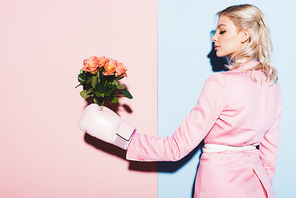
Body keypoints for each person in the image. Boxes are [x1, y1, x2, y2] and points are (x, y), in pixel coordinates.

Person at [78, 4, 282, 198]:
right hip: (259, 185)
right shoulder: (273, 84)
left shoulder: (221, 83)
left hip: (221, 185)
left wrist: (120, 134)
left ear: (244, 35)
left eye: (222, 31)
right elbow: (269, 154)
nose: (214, 38)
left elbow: (177, 147)